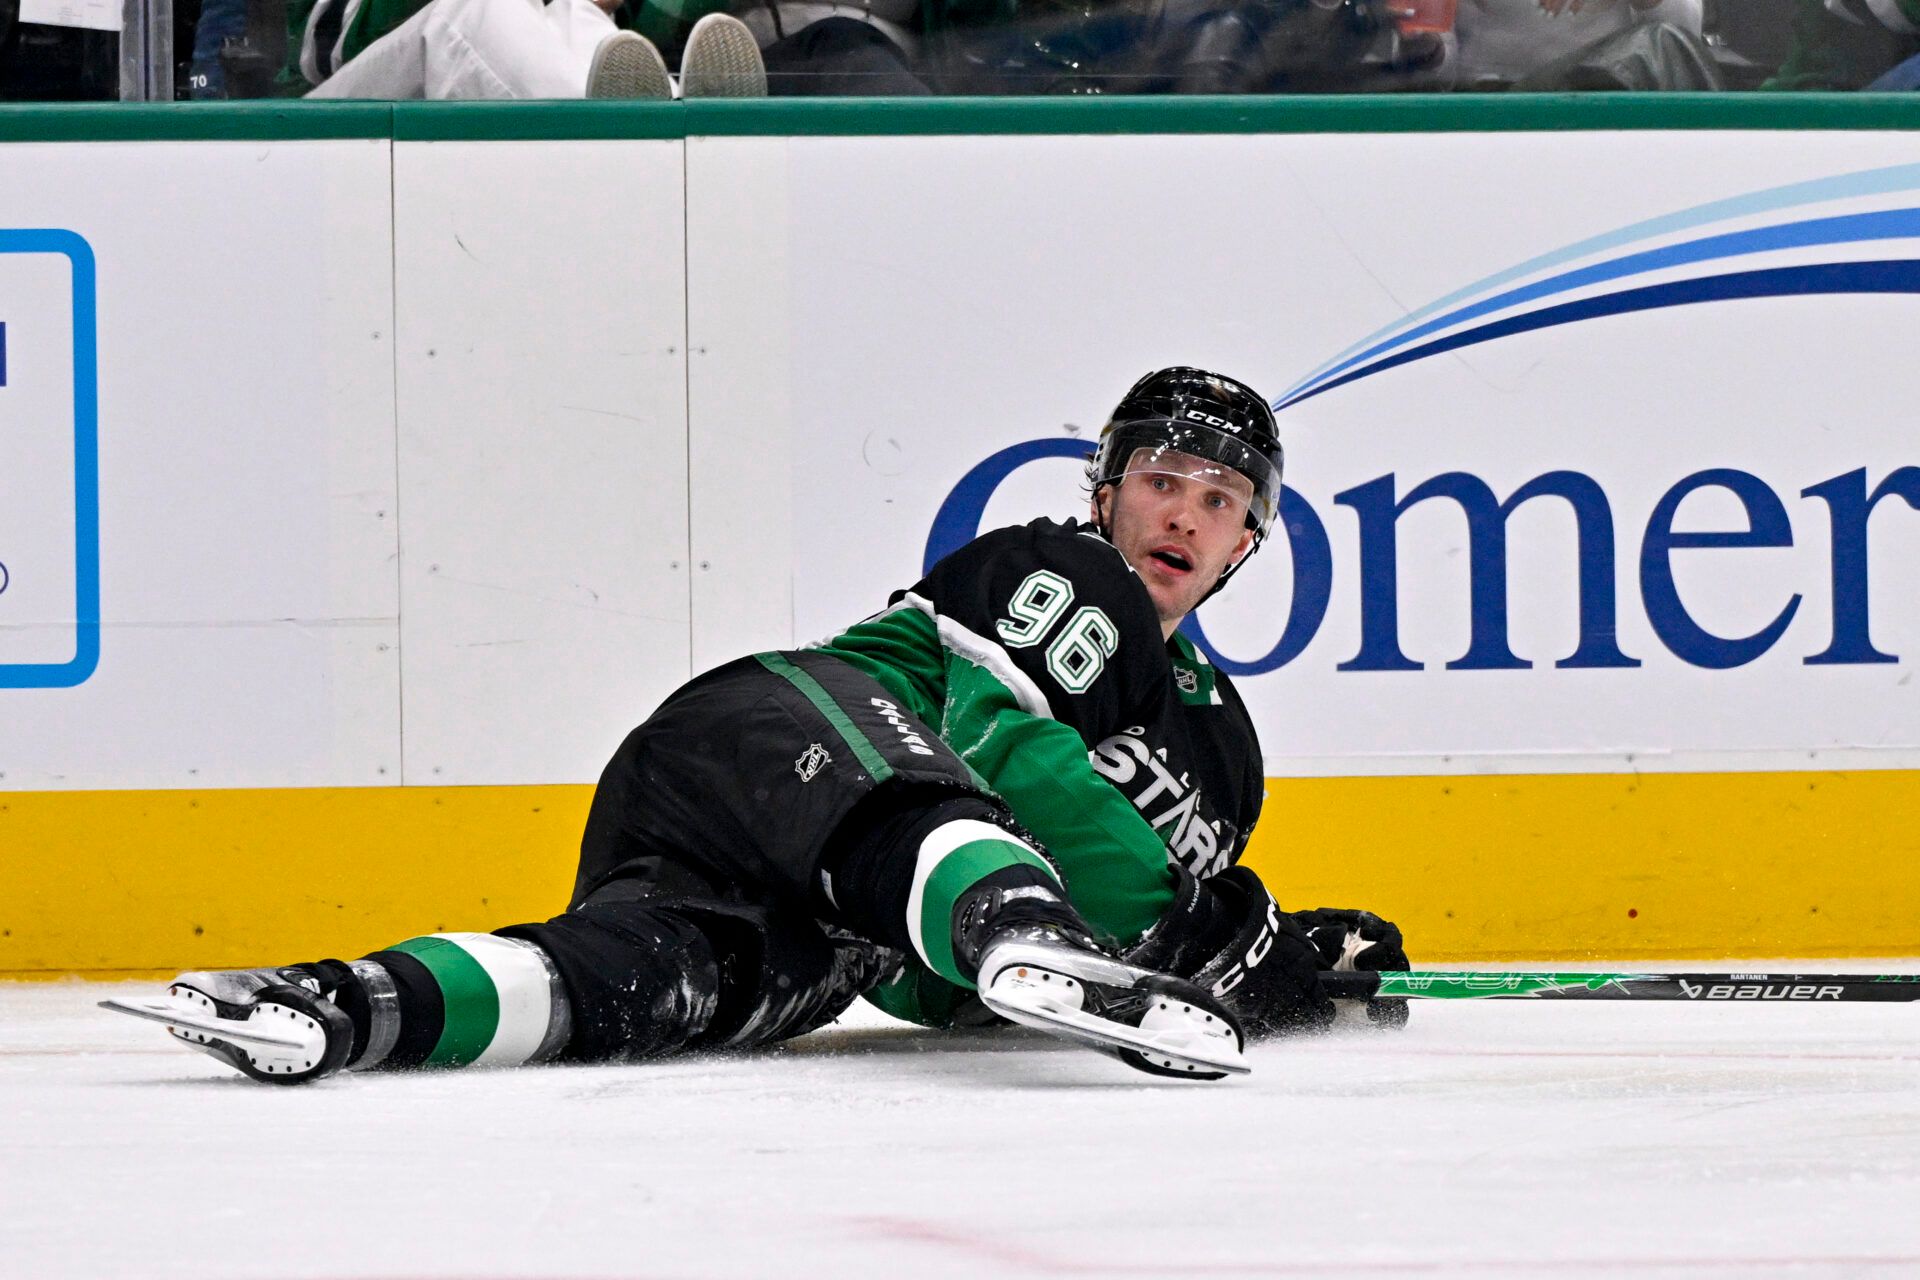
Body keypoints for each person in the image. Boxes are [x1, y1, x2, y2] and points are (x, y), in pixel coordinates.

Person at [109, 368, 1409, 1086]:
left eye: (1222, 496)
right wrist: (1182, 932)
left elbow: (993, 991)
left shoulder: (1222, 757)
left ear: (1251, 543)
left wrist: (1267, 971)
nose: (1185, 513)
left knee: (633, 987)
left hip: (838, 913)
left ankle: (339, 1006)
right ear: (1106, 490)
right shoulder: (1057, 579)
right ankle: (1009, 910)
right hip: (779, 746)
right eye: (1163, 478)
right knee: (941, 822)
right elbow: (1002, 755)